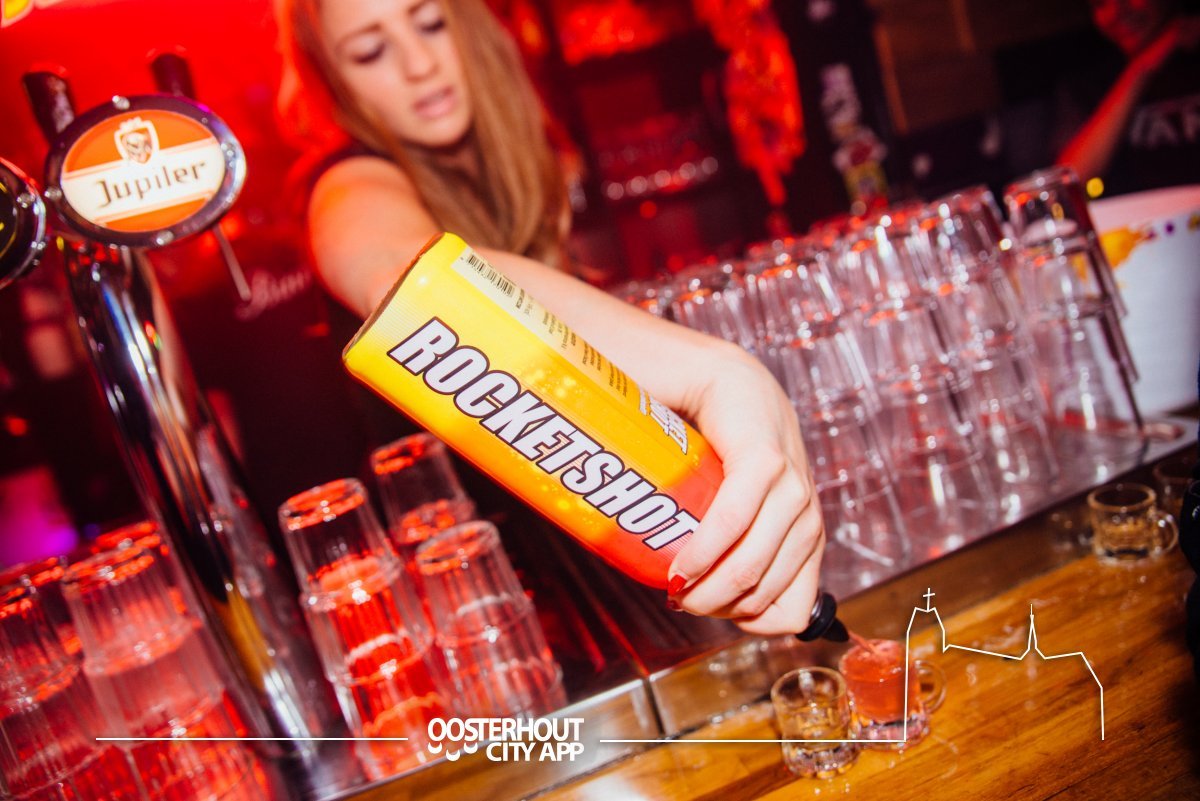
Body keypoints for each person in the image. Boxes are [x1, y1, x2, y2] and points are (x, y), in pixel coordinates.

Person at [275, 0, 824, 636]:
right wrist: (716, 373)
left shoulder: (505, 161)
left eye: (430, 23)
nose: (419, 64)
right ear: (333, 83)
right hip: (496, 609)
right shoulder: (345, 184)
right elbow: (402, 275)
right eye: (370, 51)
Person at [1057, 0, 1200, 193]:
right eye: (1100, 4)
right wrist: (1141, 67)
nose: (1116, 13)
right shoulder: (1090, 80)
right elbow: (1069, 181)